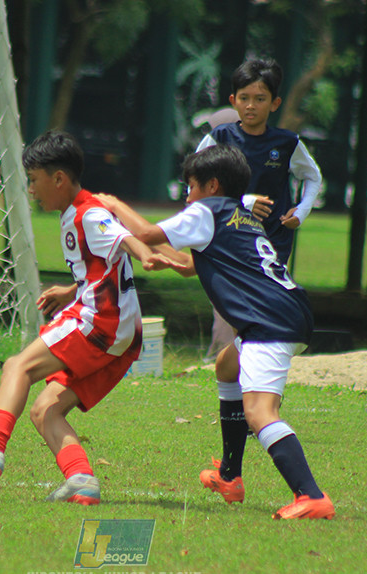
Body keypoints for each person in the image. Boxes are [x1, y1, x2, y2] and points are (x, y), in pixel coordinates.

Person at [0, 130, 164, 505]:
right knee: (45, 409)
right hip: (124, 338)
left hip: (100, 323)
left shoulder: (88, 213)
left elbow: (120, 237)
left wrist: (144, 252)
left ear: (59, 179)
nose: (31, 189)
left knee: (17, 366)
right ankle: (81, 480)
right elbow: (105, 265)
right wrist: (72, 290)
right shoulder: (76, 213)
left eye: (34, 180)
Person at [98, 145, 334, 520]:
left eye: (190, 187)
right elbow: (196, 264)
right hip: (289, 310)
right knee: (227, 366)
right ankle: (230, 476)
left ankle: (311, 495)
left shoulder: (206, 209)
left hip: (269, 321)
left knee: (259, 412)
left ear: (211, 185)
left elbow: (144, 230)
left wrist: (111, 203)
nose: (187, 196)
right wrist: (173, 265)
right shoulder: (239, 213)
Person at [196, 58, 324, 503]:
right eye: (243, 99)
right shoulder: (221, 137)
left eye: (260, 99)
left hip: (265, 261)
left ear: (275, 102)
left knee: (254, 380)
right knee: (228, 362)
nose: (251, 106)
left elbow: (312, 180)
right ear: (232, 102)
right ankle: (231, 472)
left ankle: (265, 424)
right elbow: (196, 180)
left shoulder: (287, 144)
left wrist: (299, 214)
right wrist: (243, 199)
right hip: (230, 252)